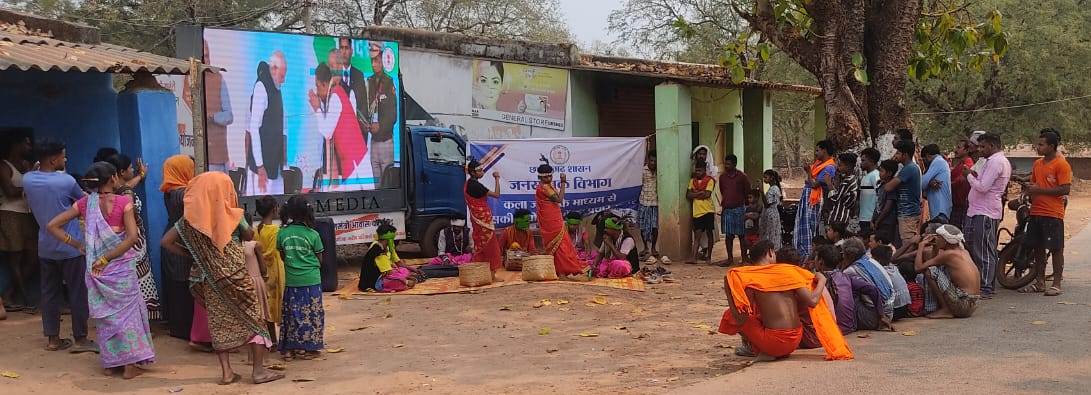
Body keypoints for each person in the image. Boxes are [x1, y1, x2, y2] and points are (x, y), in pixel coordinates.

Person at [161, 172, 283, 385]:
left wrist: (194, 254)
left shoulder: (188, 221)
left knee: (219, 322)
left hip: (210, 278)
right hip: (238, 274)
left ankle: (227, 373)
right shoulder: (231, 215)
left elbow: (166, 242)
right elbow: (250, 237)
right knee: (255, 319)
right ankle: (258, 371)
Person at [47, 162, 154, 379]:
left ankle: (110, 364)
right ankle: (129, 366)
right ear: (113, 178)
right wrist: (107, 258)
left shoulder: (85, 204)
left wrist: (77, 245)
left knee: (106, 318)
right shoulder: (124, 202)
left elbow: (52, 225)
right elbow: (132, 238)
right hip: (120, 269)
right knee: (127, 316)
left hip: (97, 271)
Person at [718, 240, 853, 361]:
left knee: (730, 315)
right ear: (770, 253)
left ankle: (760, 350)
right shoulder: (790, 272)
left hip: (775, 342)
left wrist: (729, 290)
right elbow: (812, 301)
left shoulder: (748, 277)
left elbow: (741, 317)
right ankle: (768, 349)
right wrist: (822, 280)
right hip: (796, 339)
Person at [22, 140, 96, 353]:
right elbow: (85, 203)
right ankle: (80, 338)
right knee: (77, 292)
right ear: (53, 159)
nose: (65, 159)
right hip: (71, 245)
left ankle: (53, 339)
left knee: (49, 293)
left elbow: (34, 175)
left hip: (45, 245)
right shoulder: (66, 181)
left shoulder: (28, 179)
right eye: (63, 156)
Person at [101, 154, 161, 321]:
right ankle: (142, 320)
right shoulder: (125, 194)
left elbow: (126, 186)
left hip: (122, 241)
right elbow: (128, 200)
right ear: (121, 172)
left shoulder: (113, 191)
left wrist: (140, 176)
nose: (132, 169)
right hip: (133, 242)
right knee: (141, 281)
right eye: (129, 168)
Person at [158, 155, 206, 347]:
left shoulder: (169, 190)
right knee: (184, 286)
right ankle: (185, 329)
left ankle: (177, 326)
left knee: (175, 285)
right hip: (180, 240)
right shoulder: (183, 193)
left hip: (171, 235)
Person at [1018, 130, 1071, 296]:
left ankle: (1056, 283)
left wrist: (1039, 190)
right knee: (1038, 247)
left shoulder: (1061, 165)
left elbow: (1065, 189)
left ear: (1052, 146)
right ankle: (1039, 282)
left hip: (1053, 213)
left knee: (1056, 249)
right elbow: (1033, 183)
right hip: (1036, 211)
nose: (1038, 147)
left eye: (1041, 144)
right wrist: (1027, 192)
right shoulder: (1037, 164)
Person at [275, 196, 327, 359]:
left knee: (292, 314)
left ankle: (290, 348)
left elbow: (282, 256)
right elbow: (320, 260)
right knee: (312, 314)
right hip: (311, 280)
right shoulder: (313, 234)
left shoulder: (282, 233)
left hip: (291, 281)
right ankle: (309, 348)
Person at [965, 132, 1010, 298]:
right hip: (976, 209)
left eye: (983, 147)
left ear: (992, 146)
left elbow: (983, 187)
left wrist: (968, 176)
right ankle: (978, 283)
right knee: (974, 248)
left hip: (986, 211)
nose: (980, 150)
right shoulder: (989, 161)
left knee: (984, 250)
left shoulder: (996, 162)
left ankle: (986, 286)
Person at [310, 62, 368, 186]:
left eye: (318, 86)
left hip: (356, 161)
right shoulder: (335, 94)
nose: (317, 91)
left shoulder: (336, 96)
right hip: (351, 161)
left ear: (325, 84)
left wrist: (317, 108)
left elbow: (327, 132)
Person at [534, 157, 589, 278]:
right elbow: (559, 199)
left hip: (553, 216)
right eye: (545, 177)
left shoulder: (545, 185)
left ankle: (561, 270)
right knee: (560, 243)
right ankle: (562, 270)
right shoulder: (545, 187)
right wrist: (563, 183)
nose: (548, 179)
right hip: (550, 219)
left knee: (562, 243)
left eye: (550, 176)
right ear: (540, 177)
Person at [0, 131, 36, 313]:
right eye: (26, 143)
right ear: (15, 145)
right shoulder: (4, 166)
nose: (29, 147)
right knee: (15, 259)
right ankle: (24, 298)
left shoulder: (25, 165)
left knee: (33, 257)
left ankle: (8, 294)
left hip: (25, 214)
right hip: (9, 215)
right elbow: (10, 192)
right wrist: (31, 181)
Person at [184, 41, 233, 172]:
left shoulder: (218, 78)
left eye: (207, 55)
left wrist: (211, 117)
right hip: (195, 157)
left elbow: (229, 116)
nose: (206, 60)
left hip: (218, 157)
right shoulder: (185, 79)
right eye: (202, 57)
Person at [813, 244, 885, 334]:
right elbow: (872, 289)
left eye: (815, 257)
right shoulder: (846, 277)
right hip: (849, 327)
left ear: (821, 262)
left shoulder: (815, 280)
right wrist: (882, 316)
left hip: (830, 329)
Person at [915, 225, 981, 318]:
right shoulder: (964, 251)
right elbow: (935, 262)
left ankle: (945, 309)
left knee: (930, 271)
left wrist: (921, 246)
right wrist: (936, 247)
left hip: (963, 304)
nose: (935, 239)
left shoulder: (949, 254)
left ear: (945, 241)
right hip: (972, 305)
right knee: (939, 269)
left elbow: (918, 268)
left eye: (938, 237)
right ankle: (945, 308)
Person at [246, 51, 287, 195]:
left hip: (275, 166)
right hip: (261, 171)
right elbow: (253, 128)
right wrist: (260, 166)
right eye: (282, 75)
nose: (284, 80)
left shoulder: (277, 87)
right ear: (274, 69)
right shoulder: (261, 88)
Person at [841, 238, 899, 329]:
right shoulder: (871, 261)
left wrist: (881, 316)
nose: (843, 257)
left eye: (843, 254)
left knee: (846, 288)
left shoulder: (850, 271)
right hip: (890, 310)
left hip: (876, 316)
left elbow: (872, 289)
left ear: (850, 255)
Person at [794, 140, 837, 258]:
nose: (816, 153)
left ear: (825, 150)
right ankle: (803, 252)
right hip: (808, 198)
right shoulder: (818, 164)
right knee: (804, 224)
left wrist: (808, 172)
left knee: (810, 226)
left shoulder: (829, 167)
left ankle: (809, 253)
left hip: (815, 200)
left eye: (818, 150)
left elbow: (813, 184)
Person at [464, 159, 503, 273]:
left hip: (476, 218)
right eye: (480, 171)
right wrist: (497, 179)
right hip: (483, 219)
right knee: (490, 245)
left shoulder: (468, 184)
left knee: (480, 244)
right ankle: (491, 272)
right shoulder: (476, 186)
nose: (482, 172)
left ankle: (481, 271)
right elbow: (496, 194)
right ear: (473, 173)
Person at [254, 196, 284, 342]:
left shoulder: (256, 229)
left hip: (260, 271)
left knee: (266, 306)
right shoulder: (274, 230)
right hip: (272, 271)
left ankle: (270, 339)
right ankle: (274, 340)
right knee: (273, 305)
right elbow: (271, 253)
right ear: (274, 210)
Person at [367, 41, 397, 187]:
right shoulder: (370, 81)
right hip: (373, 141)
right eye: (372, 61)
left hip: (385, 141)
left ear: (383, 61)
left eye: (377, 61)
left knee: (387, 183)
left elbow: (393, 115)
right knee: (376, 184)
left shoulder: (389, 82)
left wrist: (381, 126)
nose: (374, 64)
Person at [357, 222, 420, 292]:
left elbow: (396, 262)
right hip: (374, 282)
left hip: (379, 275)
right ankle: (405, 282)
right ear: (388, 239)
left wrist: (409, 269)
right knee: (399, 282)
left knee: (403, 270)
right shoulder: (378, 251)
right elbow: (388, 272)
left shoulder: (382, 248)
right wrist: (404, 280)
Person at [883, 140, 923, 247]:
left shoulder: (909, 168)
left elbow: (888, 187)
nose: (895, 156)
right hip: (907, 212)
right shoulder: (909, 168)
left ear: (904, 155)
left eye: (898, 153)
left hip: (908, 214)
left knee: (908, 245)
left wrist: (891, 165)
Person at [719, 154, 750, 265]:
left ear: (734, 164)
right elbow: (723, 191)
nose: (726, 166)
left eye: (729, 164)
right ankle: (730, 259)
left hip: (739, 209)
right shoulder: (722, 177)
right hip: (727, 209)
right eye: (725, 164)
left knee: (742, 235)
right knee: (728, 235)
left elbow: (747, 192)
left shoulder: (742, 176)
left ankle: (744, 258)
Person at [688, 162, 717, 263]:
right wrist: (700, 192)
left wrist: (695, 193)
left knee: (709, 234)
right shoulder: (692, 180)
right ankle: (694, 258)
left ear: (705, 170)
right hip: (697, 212)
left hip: (708, 210)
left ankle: (709, 257)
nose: (697, 172)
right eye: (696, 170)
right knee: (697, 235)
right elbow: (688, 195)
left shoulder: (710, 180)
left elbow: (707, 195)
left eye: (699, 170)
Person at [825, 152, 860, 229]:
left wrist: (829, 183)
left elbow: (835, 198)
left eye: (840, 165)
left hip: (838, 217)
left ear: (848, 166)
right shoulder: (853, 179)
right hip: (843, 216)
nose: (838, 167)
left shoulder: (847, 181)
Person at [920, 144, 952, 223]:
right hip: (940, 209)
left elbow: (922, 183)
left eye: (923, 159)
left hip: (940, 209)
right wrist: (930, 183)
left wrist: (927, 182)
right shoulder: (941, 162)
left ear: (928, 156)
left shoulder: (938, 162)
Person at [949, 139, 977, 229]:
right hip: (956, 204)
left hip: (961, 206)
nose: (955, 150)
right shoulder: (960, 164)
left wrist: (946, 184)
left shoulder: (968, 164)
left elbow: (959, 181)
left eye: (958, 147)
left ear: (967, 150)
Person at [873, 159, 901, 247]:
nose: (879, 173)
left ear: (889, 173)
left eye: (882, 171)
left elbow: (887, 207)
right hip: (880, 220)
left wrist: (878, 221)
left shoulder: (891, 186)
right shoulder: (882, 184)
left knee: (884, 245)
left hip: (887, 222)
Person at [638, 154, 659, 259]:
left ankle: (653, 248)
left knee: (654, 227)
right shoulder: (642, 171)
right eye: (651, 161)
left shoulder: (659, 171)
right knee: (643, 226)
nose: (653, 163)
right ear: (648, 160)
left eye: (655, 161)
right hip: (643, 201)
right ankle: (645, 247)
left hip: (655, 203)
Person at [858, 148, 881, 235]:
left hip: (870, 218)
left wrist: (874, 218)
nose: (861, 163)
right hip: (864, 218)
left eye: (863, 160)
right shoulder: (866, 176)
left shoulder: (875, 176)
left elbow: (879, 197)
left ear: (871, 161)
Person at [760, 170, 783, 250]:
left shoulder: (773, 189)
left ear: (772, 178)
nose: (764, 179)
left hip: (771, 215)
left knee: (771, 235)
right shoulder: (773, 188)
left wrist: (761, 191)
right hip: (771, 214)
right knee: (771, 234)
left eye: (766, 177)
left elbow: (767, 204)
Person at [743, 189, 763, 255]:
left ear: (756, 198)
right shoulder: (747, 208)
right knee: (747, 245)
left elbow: (756, 216)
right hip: (748, 232)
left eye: (750, 197)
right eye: (748, 198)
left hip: (755, 232)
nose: (749, 199)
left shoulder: (759, 207)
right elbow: (743, 217)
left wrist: (747, 215)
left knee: (755, 247)